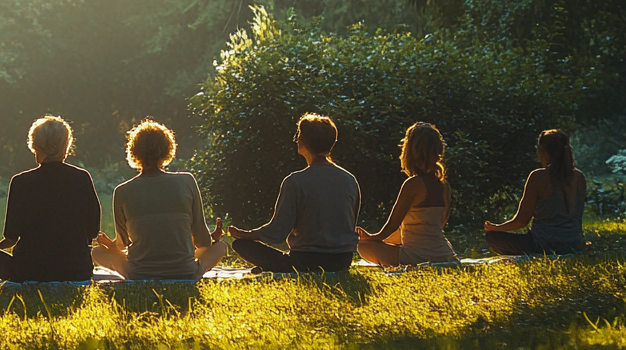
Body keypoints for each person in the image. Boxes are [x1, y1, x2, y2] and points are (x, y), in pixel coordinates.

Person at [91, 120, 230, 281]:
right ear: (168, 149)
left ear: (134, 152)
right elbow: (203, 242)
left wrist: (110, 245)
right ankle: (194, 271)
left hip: (139, 273)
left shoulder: (122, 191)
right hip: (185, 271)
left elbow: (122, 246)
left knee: (96, 252)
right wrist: (213, 238)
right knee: (220, 247)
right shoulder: (187, 181)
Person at [228, 113, 361, 273]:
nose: (296, 139)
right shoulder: (350, 180)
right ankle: (282, 263)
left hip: (305, 261)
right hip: (342, 260)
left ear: (303, 142)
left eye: (298, 135)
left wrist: (246, 234)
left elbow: (276, 233)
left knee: (241, 245)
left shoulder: (295, 181)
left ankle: (281, 265)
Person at [0, 116, 101, 282]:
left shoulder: (21, 182)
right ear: (66, 146)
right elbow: (92, 231)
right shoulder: (82, 178)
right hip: (76, 270)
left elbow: (11, 237)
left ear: (34, 146)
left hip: (30, 271)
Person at [355, 123, 458, 267]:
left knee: (364, 247)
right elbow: (435, 226)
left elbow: (392, 225)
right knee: (370, 244)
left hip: (417, 257)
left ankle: (402, 261)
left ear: (409, 152)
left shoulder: (412, 185)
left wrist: (372, 238)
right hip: (445, 254)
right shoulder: (444, 186)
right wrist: (377, 240)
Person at [484, 129, 587, 256]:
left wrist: (495, 228)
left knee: (492, 238)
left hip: (543, 244)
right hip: (574, 244)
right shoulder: (579, 177)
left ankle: (530, 255)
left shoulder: (538, 177)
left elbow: (521, 222)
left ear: (543, 151)